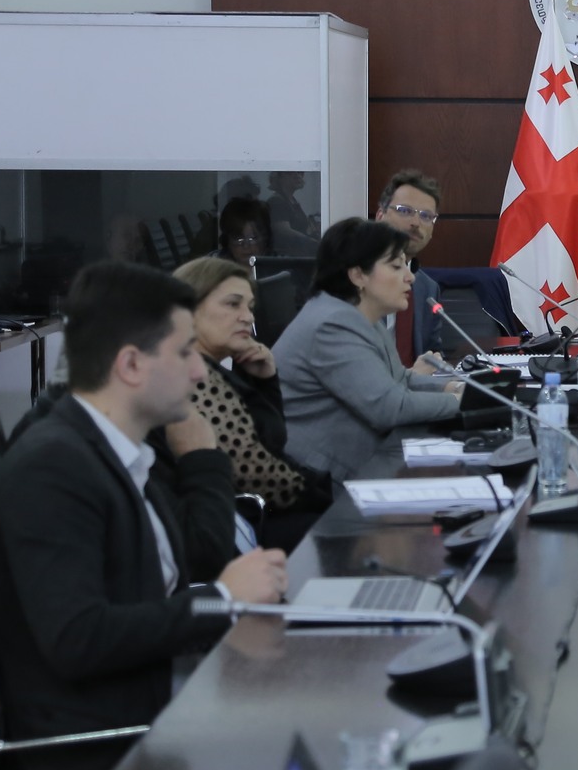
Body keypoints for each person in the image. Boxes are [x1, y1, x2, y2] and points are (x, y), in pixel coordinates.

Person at [0, 262, 289, 770]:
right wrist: (223, 600)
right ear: (130, 365)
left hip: (154, 703)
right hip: (97, 758)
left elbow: (178, 569)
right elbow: (78, 638)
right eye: (185, 353)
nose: (199, 370)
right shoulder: (53, 469)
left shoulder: (119, 450)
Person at [273, 217, 462, 479]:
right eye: (396, 266)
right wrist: (460, 401)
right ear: (358, 275)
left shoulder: (358, 315)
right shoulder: (333, 324)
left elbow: (401, 378)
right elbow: (389, 407)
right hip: (318, 482)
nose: (410, 277)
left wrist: (453, 386)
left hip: (359, 464)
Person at [173, 256, 333, 550]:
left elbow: (271, 443)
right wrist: (325, 495)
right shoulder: (192, 375)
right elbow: (254, 474)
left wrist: (265, 381)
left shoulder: (216, 370)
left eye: (250, 307)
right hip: (222, 530)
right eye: (233, 304)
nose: (248, 317)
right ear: (188, 309)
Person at [373, 169, 447, 360]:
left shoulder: (427, 288)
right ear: (380, 216)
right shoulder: (357, 278)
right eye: (405, 211)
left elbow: (434, 353)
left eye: (426, 216)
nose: (416, 223)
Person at [216, 194, 274, 267]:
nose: (246, 246)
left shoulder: (281, 268)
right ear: (227, 241)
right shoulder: (213, 268)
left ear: (265, 239)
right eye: (239, 239)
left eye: (253, 238)